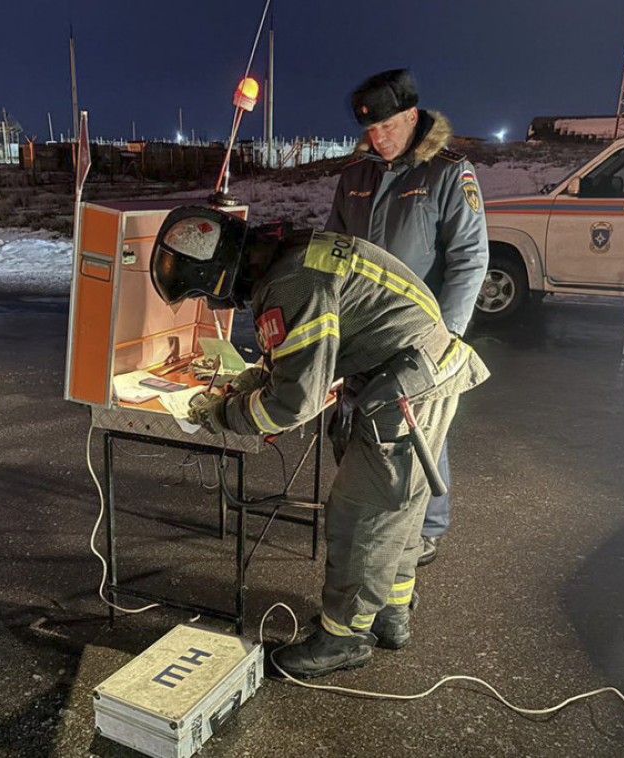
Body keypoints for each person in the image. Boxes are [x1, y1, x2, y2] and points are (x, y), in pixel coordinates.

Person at [149, 206, 488, 679]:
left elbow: (291, 405)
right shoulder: (291, 254)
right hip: (413, 370)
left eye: (207, 295)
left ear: (219, 276)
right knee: (399, 508)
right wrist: (258, 377)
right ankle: (390, 614)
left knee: (363, 514)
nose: (214, 306)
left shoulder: (288, 285)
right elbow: (313, 349)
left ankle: (343, 639)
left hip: (405, 387)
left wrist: (224, 414)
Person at [325, 69, 488, 567]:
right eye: (371, 130)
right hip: (361, 329)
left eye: (389, 127)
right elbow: (332, 250)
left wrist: (448, 336)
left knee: (420, 430)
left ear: (413, 117)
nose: (379, 138)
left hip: (422, 333)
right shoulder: (355, 175)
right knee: (363, 422)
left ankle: (429, 527)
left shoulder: (445, 172)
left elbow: (469, 258)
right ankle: (371, 511)